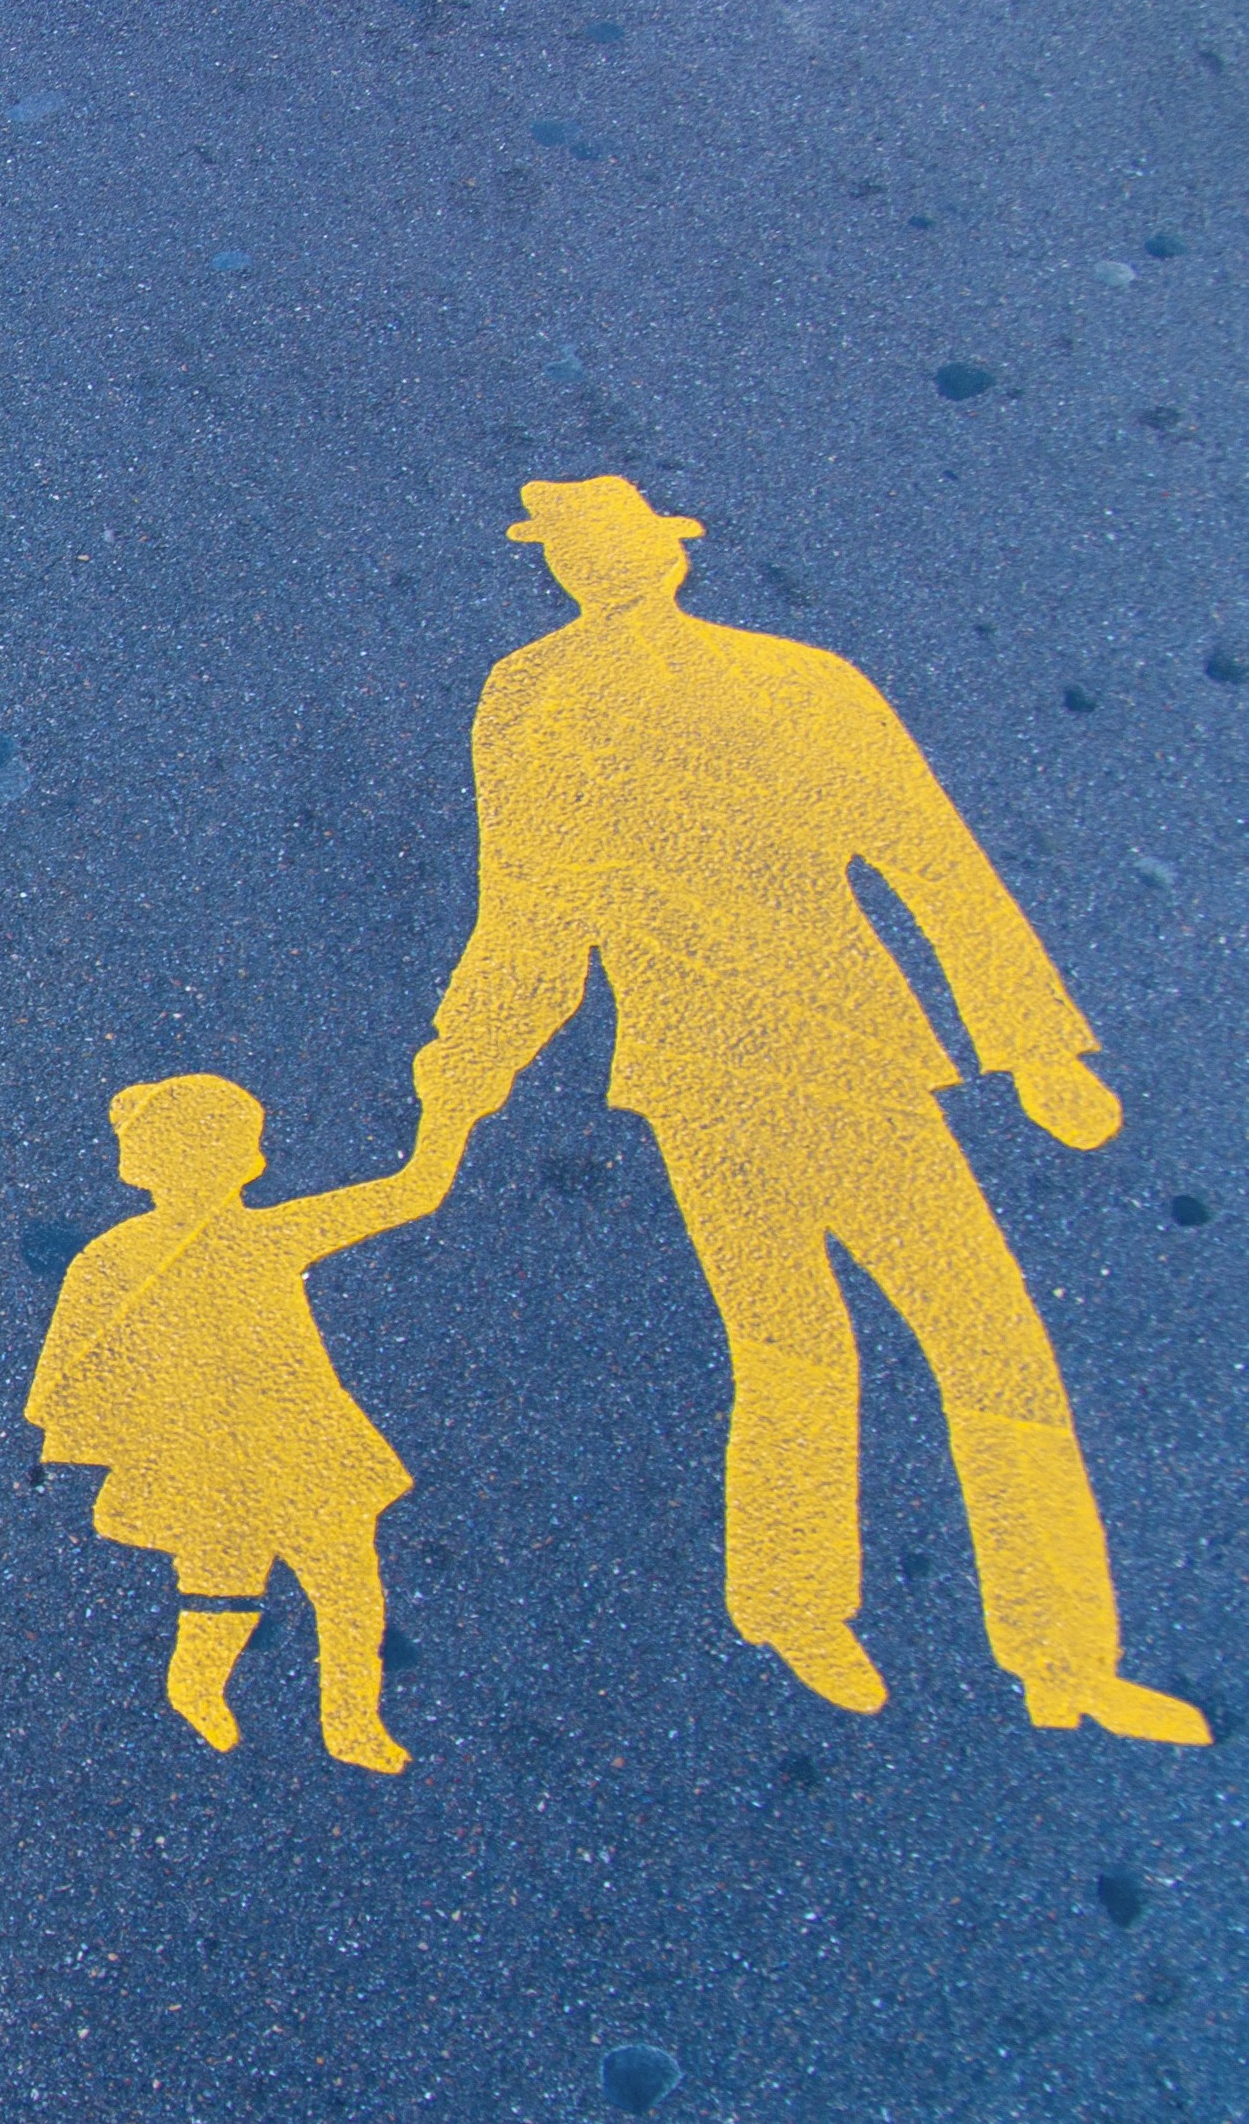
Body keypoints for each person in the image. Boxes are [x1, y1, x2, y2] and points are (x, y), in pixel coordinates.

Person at [410, 476, 1205, 1744]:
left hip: (833, 1054)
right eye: (576, 549)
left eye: (604, 541)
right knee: (818, 1342)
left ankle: (1041, 1654)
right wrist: (471, 1052)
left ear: (660, 554)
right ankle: (821, 1610)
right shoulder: (543, 698)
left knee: (953, 1338)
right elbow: (532, 905)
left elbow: (929, 859)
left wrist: (1038, 1049)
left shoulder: (784, 681)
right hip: (718, 1063)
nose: (595, 564)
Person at [29, 1075, 452, 1773]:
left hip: (302, 1435)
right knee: (224, 1579)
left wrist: (448, 1118)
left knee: (346, 1582)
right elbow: (75, 1362)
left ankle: (351, 1719)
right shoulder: (114, 1258)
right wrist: (112, 1431)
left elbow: (411, 1192)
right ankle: (197, 1686)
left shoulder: (271, 1233)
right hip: (204, 1443)